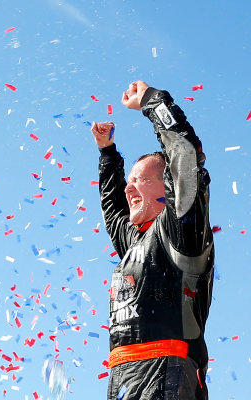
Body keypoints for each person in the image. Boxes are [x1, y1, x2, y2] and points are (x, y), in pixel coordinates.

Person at [90, 81, 214, 399]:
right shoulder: (133, 240)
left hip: (166, 369)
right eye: (129, 182)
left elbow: (184, 156)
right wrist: (108, 154)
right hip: (121, 376)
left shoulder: (180, 230)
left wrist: (152, 101)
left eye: (141, 180)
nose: (129, 189)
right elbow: (112, 206)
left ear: (167, 188)